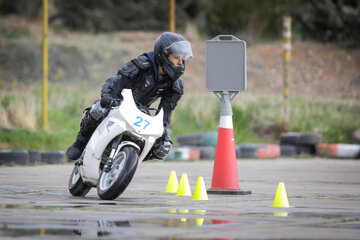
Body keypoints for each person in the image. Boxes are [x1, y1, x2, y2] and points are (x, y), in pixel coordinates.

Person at [66, 32, 193, 161]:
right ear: (163, 55)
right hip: (119, 103)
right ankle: (80, 143)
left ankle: (130, 159)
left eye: (182, 58)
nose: (180, 62)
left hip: (141, 112)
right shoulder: (142, 64)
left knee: (164, 146)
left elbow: (165, 112)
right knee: (98, 110)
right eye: (176, 57)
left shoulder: (175, 86)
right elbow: (116, 80)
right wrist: (108, 96)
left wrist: (162, 130)